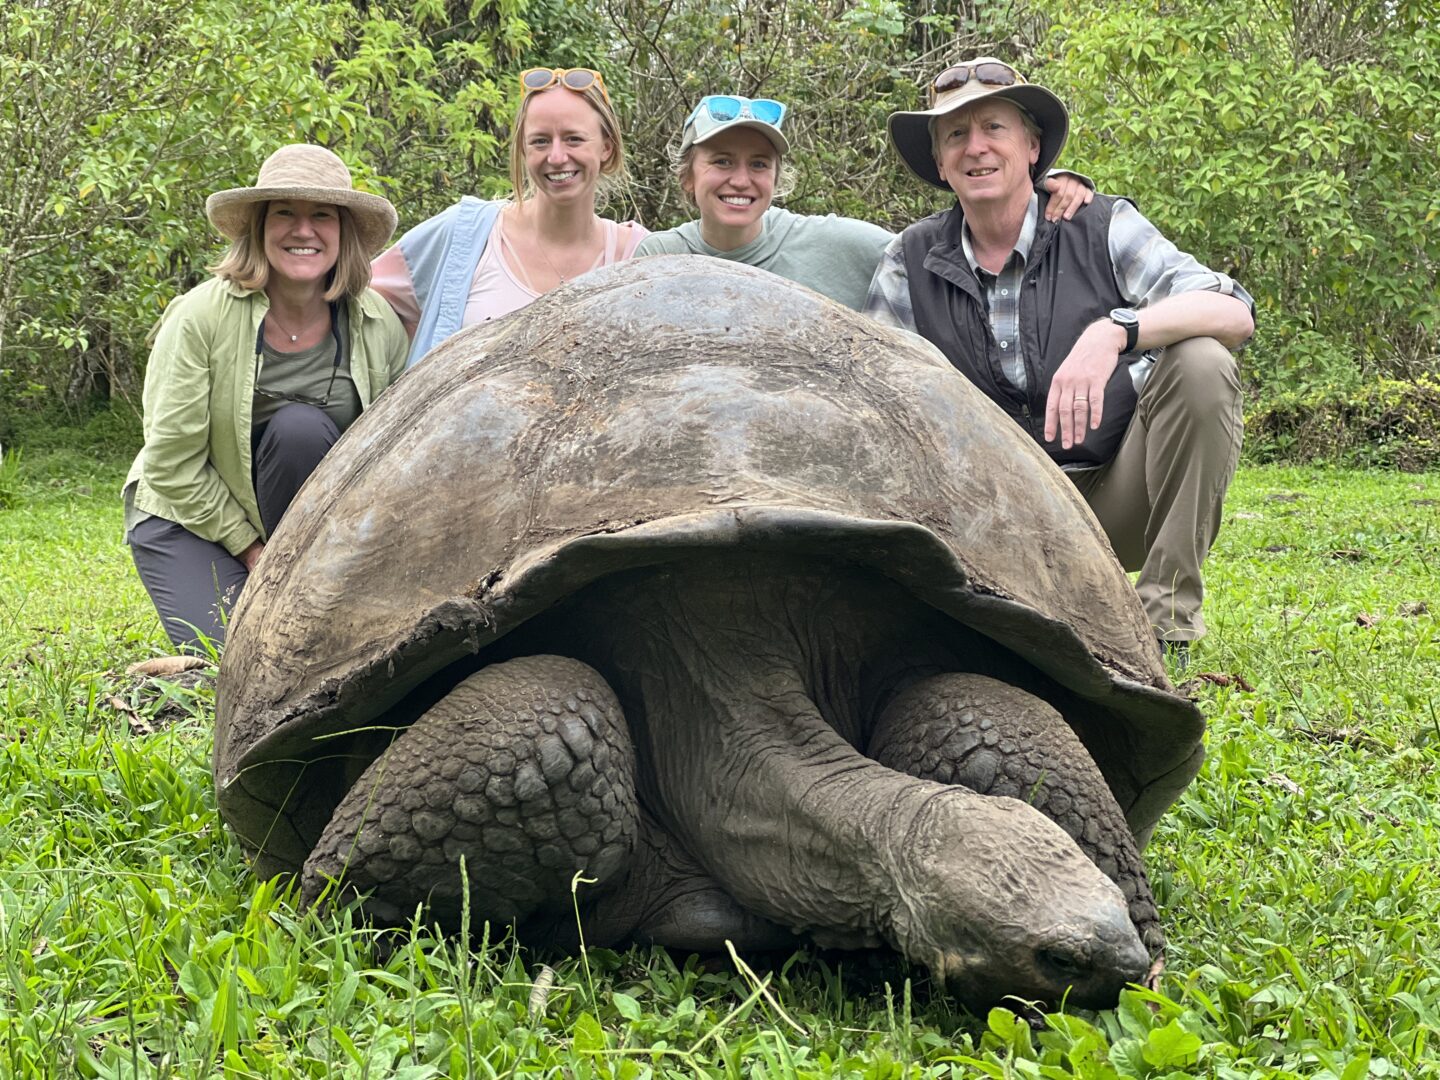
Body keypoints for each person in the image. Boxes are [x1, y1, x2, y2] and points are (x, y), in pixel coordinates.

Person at [866, 58, 1255, 657]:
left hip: (1113, 497)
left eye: (994, 128)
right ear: (941, 164)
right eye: (955, 136)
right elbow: (878, 396)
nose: (977, 148)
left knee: (1202, 361)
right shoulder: (908, 260)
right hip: (992, 518)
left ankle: (1165, 623)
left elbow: (1231, 312)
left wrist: (1115, 331)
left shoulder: (1102, 224)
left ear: (1032, 147)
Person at [124, 144, 410, 651]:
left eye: (321, 214)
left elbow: (389, 459)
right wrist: (256, 551)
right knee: (242, 658)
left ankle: (304, 591)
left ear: (343, 232)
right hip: (191, 519)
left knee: (300, 428)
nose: (303, 230)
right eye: (285, 213)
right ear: (258, 227)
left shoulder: (375, 322)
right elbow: (170, 462)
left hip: (302, 525)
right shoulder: (199, 318)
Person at [635, 93, 1094, 311]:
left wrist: (1036, 184)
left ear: (776, 178)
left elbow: (952, 252)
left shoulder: (838, 244)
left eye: (759, 164)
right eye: (721, 161)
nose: (741, 179)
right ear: (687, 176)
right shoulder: (656, 260)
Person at [372, 67, 648, 367]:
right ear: (523, 149)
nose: (556, 157)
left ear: (606, 147)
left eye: (574, 139)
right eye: (540, 141)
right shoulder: (468, 234)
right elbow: (363, 295)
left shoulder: (638, 254)